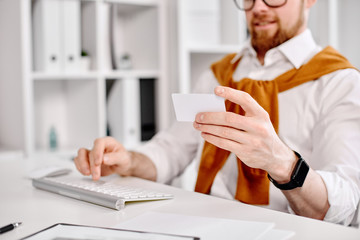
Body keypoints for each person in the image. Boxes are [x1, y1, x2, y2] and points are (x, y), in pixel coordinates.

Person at [74, 0, 360, 226]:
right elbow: (172, 150)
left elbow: (346, 202)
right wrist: (129, 160)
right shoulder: (217, 74)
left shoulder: (339, 82)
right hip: (202, 224)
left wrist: (284, 165)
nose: (258, 7)